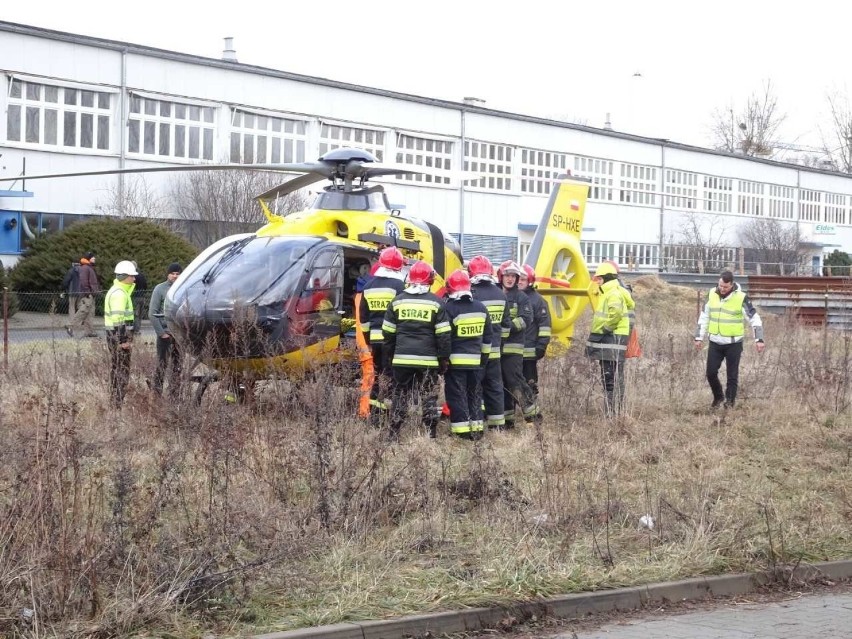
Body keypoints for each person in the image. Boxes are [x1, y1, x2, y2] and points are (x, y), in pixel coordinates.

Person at [382, 260, 451, 441]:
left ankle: (394, 434)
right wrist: (443, 360)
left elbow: (387, 333)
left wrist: (390, 355)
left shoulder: (397, 302)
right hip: (428, 361)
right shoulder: (437, 304)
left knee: (400, 394)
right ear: (429, 281)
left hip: (401, 359)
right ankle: (430, 434)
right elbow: (443, 336)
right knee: (428, 395)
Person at [694, 270, 765, 409]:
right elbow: (704, 316)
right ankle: (718, 397)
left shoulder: (741, 297)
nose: (722, 289)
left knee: (732, 376)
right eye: (720, 285)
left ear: (732, 285)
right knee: (710, 373)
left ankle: (729, 404)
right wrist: (698, 337)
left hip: (734, 343)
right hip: (715, 341)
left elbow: (754, 318)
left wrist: (759, 339)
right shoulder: (711, 294)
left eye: (725, 287)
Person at [358, 247, 406, 424]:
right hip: (394, 341)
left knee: (377, 377)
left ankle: (375, 416)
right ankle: (393, 416)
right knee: (393, 377)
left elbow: (363, 318)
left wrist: (368, 339)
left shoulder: (368, 286)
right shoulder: (399, 286)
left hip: (376, 340)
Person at [443, 269, 491, 439]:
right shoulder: (481, 308)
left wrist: (444, 360)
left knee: (457, 395)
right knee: (475, 395)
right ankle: (477, 430)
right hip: (476, 362)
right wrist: (483, 359)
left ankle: (462, 432)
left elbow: (445, 338)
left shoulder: (449, 308)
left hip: (455, 363)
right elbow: (487, 338)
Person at [468, 255, 511, 429]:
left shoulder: (470, 293)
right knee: (494, 387)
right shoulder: (500, 293)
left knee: (474, 387)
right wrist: (499, 343)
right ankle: (497, 424)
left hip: (475, 352)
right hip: (494, 351)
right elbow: (506, 325)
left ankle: (476, 421)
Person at [585, 261, 631, 418]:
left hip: (612, 338)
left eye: (598, 279)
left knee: (610, 376)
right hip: (612, 339)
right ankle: (612, 412)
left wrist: (604, 329)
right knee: (610, 376)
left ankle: (611, 413)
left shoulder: (612, 293)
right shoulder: (611, 291)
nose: (596, 281)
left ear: (605, 278)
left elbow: (615, 314)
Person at [497, 260, 535, 426]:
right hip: (497, 348)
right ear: (501, 276)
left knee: (515, 382)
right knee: (501, 384)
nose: (510, 279)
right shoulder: (496, 295)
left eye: (513, 276)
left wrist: (507, 326)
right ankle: (508, 420)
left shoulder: (521, 297)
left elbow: (526, 319)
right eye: (507, 275)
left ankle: (533, 416)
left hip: (513, 349)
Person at [104, 260, 138, 408]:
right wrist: (123, 340)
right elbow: (118, 320)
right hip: (118, 339)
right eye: (132, 276)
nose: (134, 279)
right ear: (125, 276)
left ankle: (116, 401)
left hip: (115, 337)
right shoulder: (119, 294)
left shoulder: (119, 291)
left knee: (118, 368)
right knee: (121, 370)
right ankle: (117, 402)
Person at [518, 264, 552, 415]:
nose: (519, 282)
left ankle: (531, 409)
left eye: (523, 279)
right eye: (518, 279)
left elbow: (545, 325)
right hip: (511, 351)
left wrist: (541, 346)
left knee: (529, 381)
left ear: (530, 281)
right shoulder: (510, 297)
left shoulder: (538, 301)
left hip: (530, 351)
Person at [149, 262, 183, 398]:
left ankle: (174, 396)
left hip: (180, 337)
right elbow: (152, 313)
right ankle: (157, 394)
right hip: (165, 334)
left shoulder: (184, 289)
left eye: (177, 274)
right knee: (161, 366)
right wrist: (161, 333)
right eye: (172, 273)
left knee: (178, 367)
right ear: (168, 274)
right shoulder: (160, 289)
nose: (175, 276)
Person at [66, 251, 100, 338]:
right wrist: (88, 292)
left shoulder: (89, 267)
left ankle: (89, 331)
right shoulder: (85, 268)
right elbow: (84, 281)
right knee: (83, 311)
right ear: (89, 258)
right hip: (87, 295)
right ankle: (71, 327)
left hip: (91, 294)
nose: (94, 258)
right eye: (93, 257)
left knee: (90, 313)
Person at [61, 257, 82, 321]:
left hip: (72, 291)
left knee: (72, 307)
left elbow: (66, 281)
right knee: (80, 307)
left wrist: (64, 289)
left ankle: (72, 321)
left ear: (73, 263)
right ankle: (80, 321)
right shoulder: (83, 270)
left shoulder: (71, 271)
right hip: (81, 292)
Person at [131, 261, 148, 333]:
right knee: (140, 314)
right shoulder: (141, 275)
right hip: (142, 296)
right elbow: (145, 286)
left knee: (136, 314)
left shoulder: (132, 276)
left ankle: (136, 329)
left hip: (135, 297)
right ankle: (137, 328)